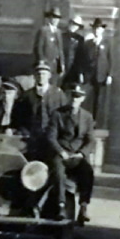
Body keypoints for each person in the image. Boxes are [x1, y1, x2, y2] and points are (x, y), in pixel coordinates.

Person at [50, 84, 96, 225]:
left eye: (78, 96)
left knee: (88, 172)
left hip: (78, 156)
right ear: (69, 97)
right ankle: (61, 206)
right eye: (73, 96)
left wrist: (82, 154)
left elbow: (91, 140)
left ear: (82, 99)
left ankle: (83, 206)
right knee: (58, 174)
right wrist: (61, 152)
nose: (75, 99)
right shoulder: (58, 114)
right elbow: (51, 137)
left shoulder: (87, 117)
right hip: (62, 153)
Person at [70, 18, 113, 127]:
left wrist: (109, 75)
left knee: (99, 100)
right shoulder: (87, 44)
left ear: (102, 30)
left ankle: (97, 122)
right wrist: (81, 73)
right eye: (95, 28)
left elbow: (110, 59)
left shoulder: (107, 43)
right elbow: (81, 60)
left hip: (101, 76)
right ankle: (85, 121)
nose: (97, 31)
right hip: (88, 75)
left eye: (99, 29)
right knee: (86, 98)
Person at [21, 61, 67, 138]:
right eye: (38, 74)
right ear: (34, 76)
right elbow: (20, 116)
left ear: (49, 76)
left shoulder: (58, 94)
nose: (41, 76)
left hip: (53, 136)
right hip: (32, 136)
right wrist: (24, 131)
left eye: (44, 74)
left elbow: (65, 115)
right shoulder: (27, 95)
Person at [33, 7, 67, 80]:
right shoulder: (44, 30)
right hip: (46, 63)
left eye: (57, 18)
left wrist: (62, 64)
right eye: (54, 17)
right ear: (49, 18)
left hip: (56, 64)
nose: (55, 20)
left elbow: (60, 49)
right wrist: (41, 60)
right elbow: (38, 47)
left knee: (54, 83)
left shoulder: (58, 32)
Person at [61, 15, 87, 87]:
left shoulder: (80, 39)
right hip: (62, 68)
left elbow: (81, 57)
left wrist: (80, 72)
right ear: (70, 23)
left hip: (74, 70)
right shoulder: (61, 36)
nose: (74, 26)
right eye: (73, 24)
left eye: (77, 25)